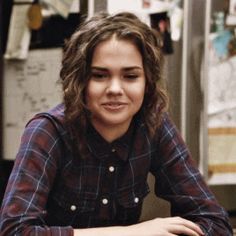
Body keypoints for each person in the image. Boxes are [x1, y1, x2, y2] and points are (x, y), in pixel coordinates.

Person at [0, 12, 233, 236]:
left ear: (148, 83)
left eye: (130, 76)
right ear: (80, 80)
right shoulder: (47, 132)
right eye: (99, 75)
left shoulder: (153, 125)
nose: (114, 89)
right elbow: (15, 231)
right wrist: (130, 233)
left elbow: (215, 222)